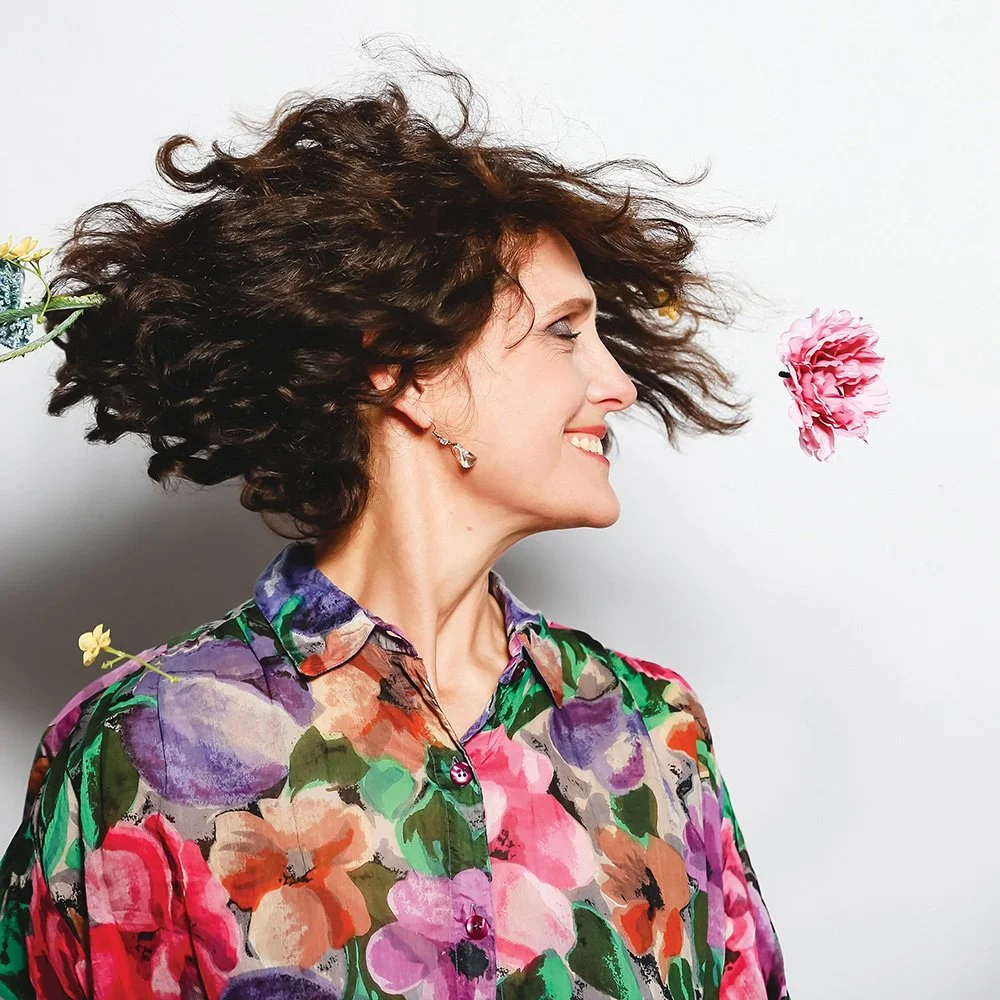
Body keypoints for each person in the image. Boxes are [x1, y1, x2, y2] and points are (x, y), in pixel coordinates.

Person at [0, 48, 788, 1000]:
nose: (617, 384)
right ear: (404, 368)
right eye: (564, 331)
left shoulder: (653, 731)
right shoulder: (136, 751)